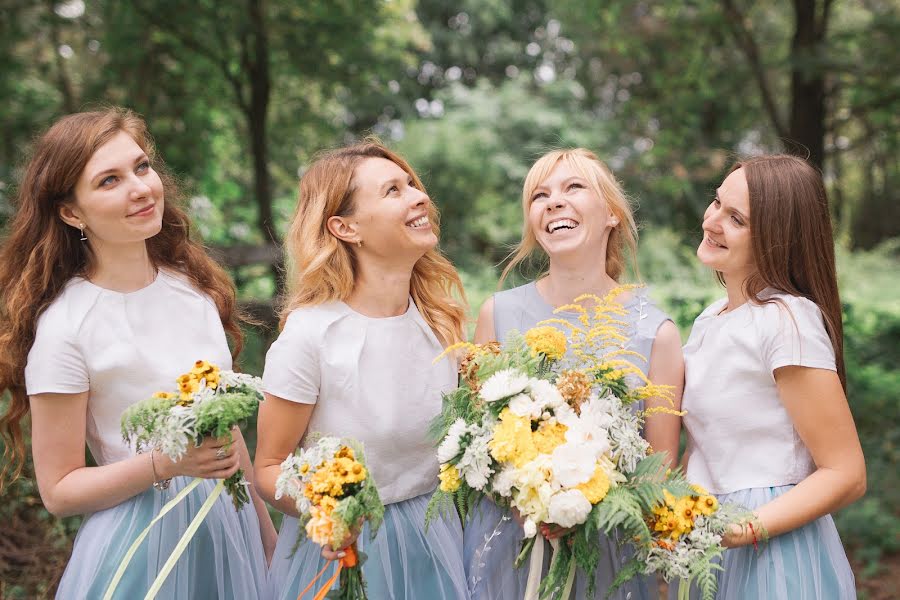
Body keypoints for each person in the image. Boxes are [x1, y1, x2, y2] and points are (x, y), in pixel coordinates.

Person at [0, 108, 274, 599]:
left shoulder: (194, 292)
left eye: (141, 167)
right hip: (140, 549)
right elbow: (59, 491)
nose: (141, 188)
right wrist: (164, 464)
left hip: (228, 535)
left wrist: (266, 539)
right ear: (71, 212)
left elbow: (226, 429)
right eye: (109, 180)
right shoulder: (66, 327)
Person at [254, 141, 470, 599]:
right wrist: (326, 514)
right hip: (343, 556)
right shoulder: (311, 335)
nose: (418, 197)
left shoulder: (439, 319)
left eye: (412, 185)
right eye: (393, 191)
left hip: (439, 540)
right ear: (345, 227)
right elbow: (269, 467)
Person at [465, 148, 684, 599]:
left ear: (611, 215)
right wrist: (534, 497)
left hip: (606, 557)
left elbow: (657, 477)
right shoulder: (497, 315)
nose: (554, 202)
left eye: (573, 187)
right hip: (509, 551)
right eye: (540, 195)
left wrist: (581, 505)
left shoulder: (655, 333)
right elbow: (474, 445)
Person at [679, 154, 864, 598]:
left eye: (736, 218)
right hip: (712, 544)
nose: (713, 221)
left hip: (771, 548)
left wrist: (743, 530)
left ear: (777, 239)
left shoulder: (786, 320)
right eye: (717, 203)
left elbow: (846, 472)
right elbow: (703, 445)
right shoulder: (710, 319)